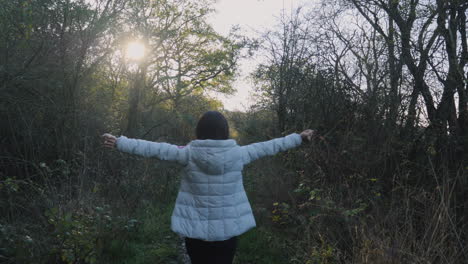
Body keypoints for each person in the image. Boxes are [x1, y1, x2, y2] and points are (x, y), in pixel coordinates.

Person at [102, 111, 315, 264]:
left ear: (199, 131)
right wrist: (299, 138)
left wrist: (120, 142)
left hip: (195, 233)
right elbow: (272, 146)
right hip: (228, 233)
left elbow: (156, 149)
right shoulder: (239, 154)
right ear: (225, 131)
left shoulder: (188, 153)